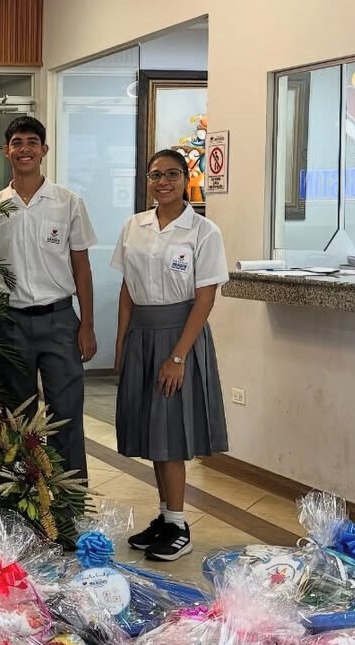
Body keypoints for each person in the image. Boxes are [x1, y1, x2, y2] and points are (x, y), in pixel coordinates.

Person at [112, 149, 229, 562]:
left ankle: (179, 523)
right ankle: (164, 516)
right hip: (142, 334)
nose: (163, 182)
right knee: (151, 432)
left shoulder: (202, 231)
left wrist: (178, 356)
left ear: (185, 178)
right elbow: (128, 288)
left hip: (179, 336)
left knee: (171, 433)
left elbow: (205, 297)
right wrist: (122, 341)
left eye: (172, 174)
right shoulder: (134, 226)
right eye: (156, 175)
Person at [0, 116, 96, 481]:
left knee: (65, 413)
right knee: (16, 415)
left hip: (59, 320)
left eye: (32, 142)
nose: (25, 149)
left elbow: (82, 269)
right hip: (10, 322)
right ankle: (23, 499)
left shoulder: (68, 203)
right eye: (17, 142)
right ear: (7, 151)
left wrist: (86, 325)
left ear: (44, 150)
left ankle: (70, 503)